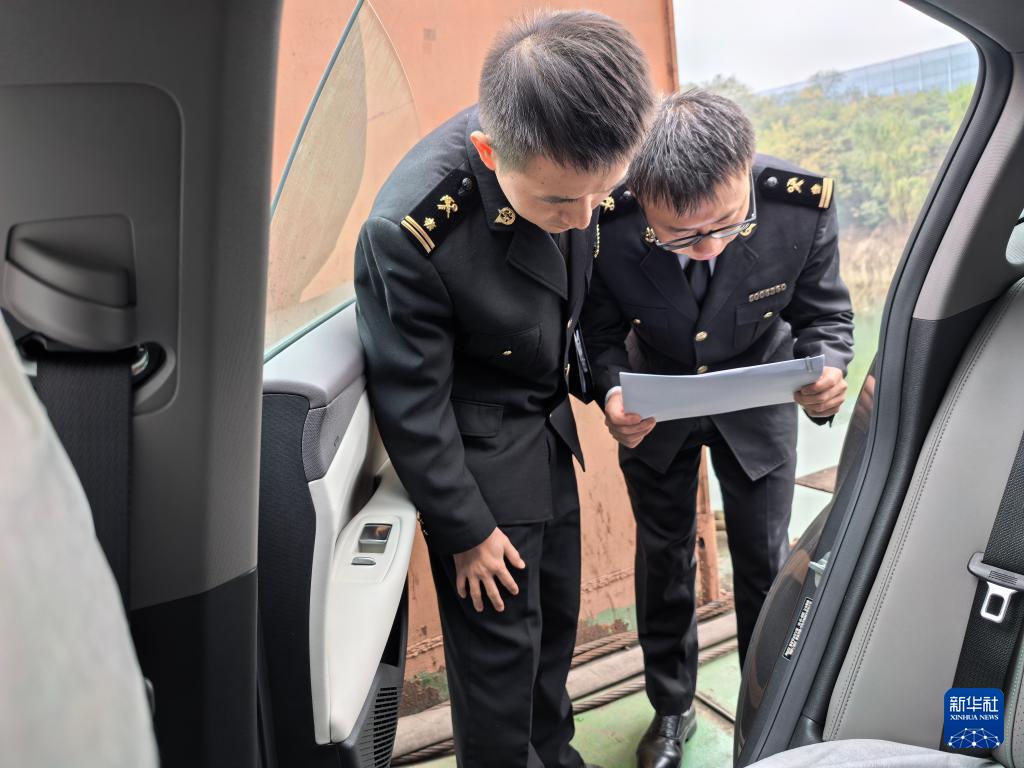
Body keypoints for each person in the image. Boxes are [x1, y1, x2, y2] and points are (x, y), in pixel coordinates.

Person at [354, 12, 654, 768]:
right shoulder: (415, 228)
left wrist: (607, 389)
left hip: (548, 437)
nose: (581, 220)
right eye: (558, 204)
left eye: (598, 196)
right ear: (491, 154)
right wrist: (466, 531)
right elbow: (412, 402)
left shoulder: (571, 157)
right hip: (478, 469)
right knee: (499, 670)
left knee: (552, 642)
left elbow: (571, 311)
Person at [581, 89, 854, 768]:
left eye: (727, 225)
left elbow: (825, 315)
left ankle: (767, 709)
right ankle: (672, 707)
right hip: (656, 396)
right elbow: (597, 331)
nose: (706, 250)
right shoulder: (605, 219)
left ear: (747, 171)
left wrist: (827, 370)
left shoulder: (798, 207)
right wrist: (611, 393)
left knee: (766, 561)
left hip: (759, 394)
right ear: (642, 196)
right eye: (679, 235)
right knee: (664, 558)